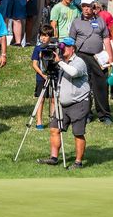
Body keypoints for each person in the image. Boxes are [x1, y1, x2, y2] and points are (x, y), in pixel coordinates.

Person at [39, 36, 91, 168]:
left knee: (78, 133)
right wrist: (46, 60)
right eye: (62, 46)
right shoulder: (62, 62)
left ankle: (78, 162)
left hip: (79, 102)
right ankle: (54, 157)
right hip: (62, 103)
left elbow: (73, 72)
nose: (63, 49)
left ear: (73, 49)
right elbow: (47, 71)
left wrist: (60, 62)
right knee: (54, 129)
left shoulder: (79, 62)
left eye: (66, 46)